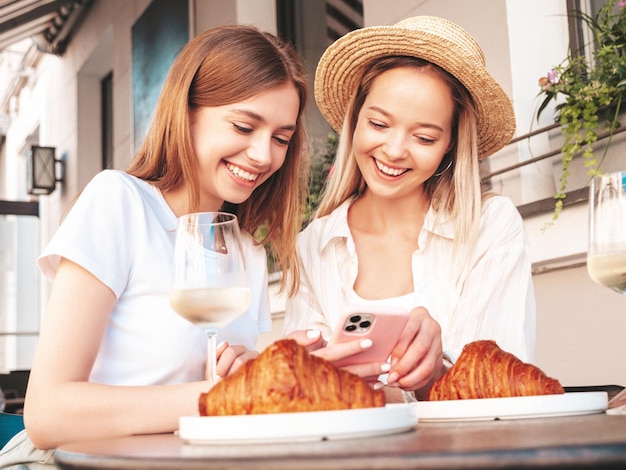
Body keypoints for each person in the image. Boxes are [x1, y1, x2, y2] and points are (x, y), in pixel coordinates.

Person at [0, 23, 309, 464]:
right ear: (187, 112)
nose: (264, 155)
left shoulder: (248, 251)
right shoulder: (120, 203)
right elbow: (48, 413)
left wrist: (245, 372)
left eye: (281, 138)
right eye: (244, 126)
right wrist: (211, 397)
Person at [284, 16, 535, 401]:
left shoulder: (490, 227)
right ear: (355, 120)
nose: (395, 150)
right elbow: (304, 394)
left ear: (450, 144)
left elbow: (497, 385)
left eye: (424, 137)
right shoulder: (313, 246)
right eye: (379, 124)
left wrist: (434, 374)